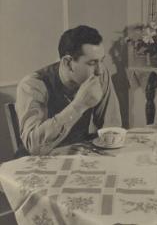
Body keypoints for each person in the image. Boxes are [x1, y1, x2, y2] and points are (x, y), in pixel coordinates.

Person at [16, 25, 121, 155]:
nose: (100, 70)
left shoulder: (100, 74)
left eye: (101, 61)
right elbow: (33, 145)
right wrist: (78, 106)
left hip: (79, 155)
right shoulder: (33, 84)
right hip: (37, 162)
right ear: (68, 63)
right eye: (92, 63)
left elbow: (111, 127)